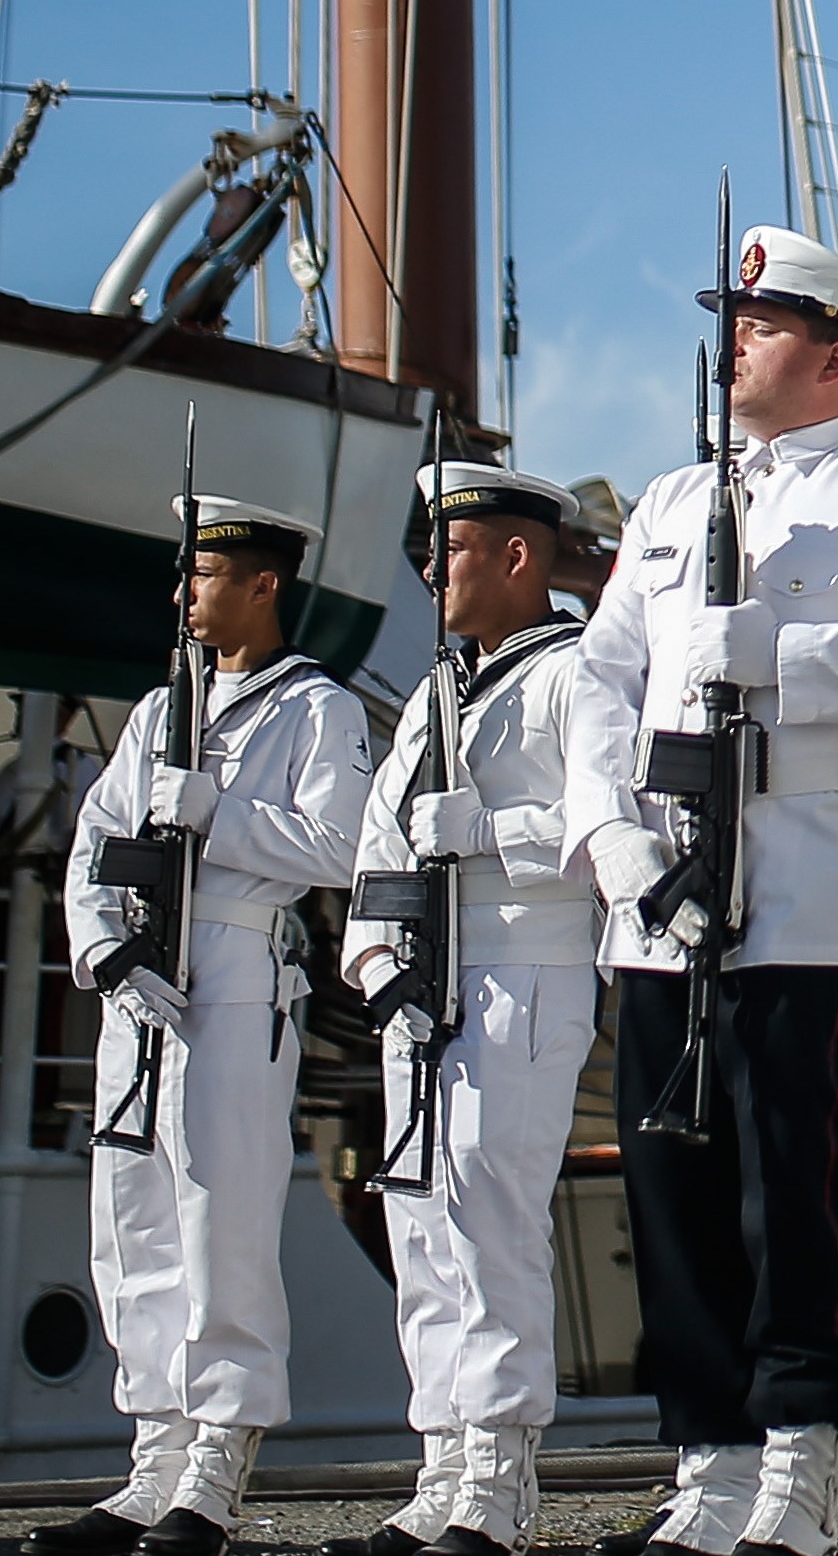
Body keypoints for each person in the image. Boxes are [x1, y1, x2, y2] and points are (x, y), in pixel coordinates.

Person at [563, 226, 838, 1556]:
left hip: (803, 891)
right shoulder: (666, 502)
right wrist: (607, 837)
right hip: (661, 891)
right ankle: (707, 1453)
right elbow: (597, 681)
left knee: (782, 1185)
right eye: (733, 318)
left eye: (760, 322)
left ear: (832, 354)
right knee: (670, 1188)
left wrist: (786, 652)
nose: (733, 337)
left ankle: (802, 1452)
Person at [26, 505, 374, 1556]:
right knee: (130, 1213)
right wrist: (104, 952)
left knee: (220, 1212)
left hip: (235, 960)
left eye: (208, 572)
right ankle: (153, 1458)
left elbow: (344, 843)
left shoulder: (316, 706)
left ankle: (217, 1468)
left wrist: (218, 811)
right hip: (143, 974)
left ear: (262, 585)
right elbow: (96, 838)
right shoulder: (156, 709)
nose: (187, 592)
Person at [334, 463, 604, 1556]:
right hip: (423, 978)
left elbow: (605, 823)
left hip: (521, 967)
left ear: (516, 556)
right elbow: (379, 844)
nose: (431, 572)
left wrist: (489, 835)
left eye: (451, 551)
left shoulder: (578, 675)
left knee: (490, 1220)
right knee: (420, 1223)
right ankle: (441, 1459)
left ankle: (497, 1476)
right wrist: (373, 964)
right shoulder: (440, 691)